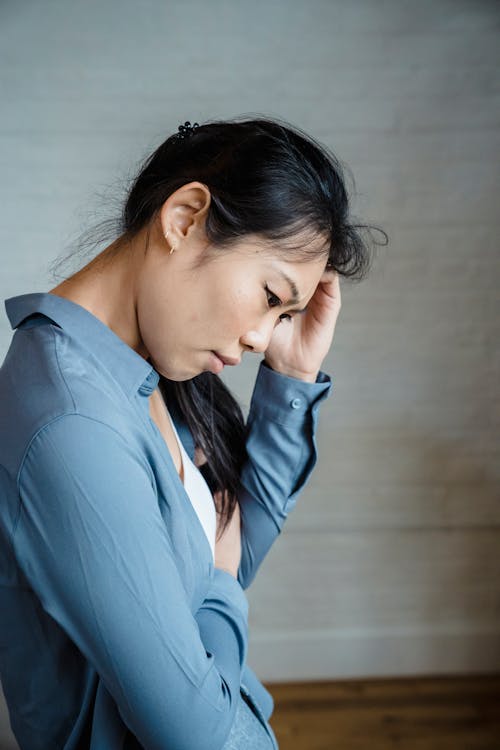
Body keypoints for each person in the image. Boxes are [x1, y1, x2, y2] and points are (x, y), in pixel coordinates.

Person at [0, 116, 379, 749]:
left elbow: (223, 556)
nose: (262, 338)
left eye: (283, 313)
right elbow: (196, 735)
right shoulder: (74, 428)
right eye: (268, 295)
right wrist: (223, 584)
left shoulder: (148, 376)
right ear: (184, 218)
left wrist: (291, 376)